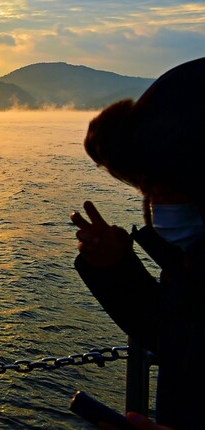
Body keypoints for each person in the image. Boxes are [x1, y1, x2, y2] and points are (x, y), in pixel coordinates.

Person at [71, 56, 205, 430]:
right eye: (146, 189)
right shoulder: (189, 264)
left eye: (164, 185)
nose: (157, 203)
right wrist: (115, 268)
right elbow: (174, 338)